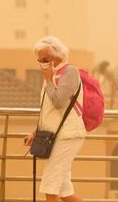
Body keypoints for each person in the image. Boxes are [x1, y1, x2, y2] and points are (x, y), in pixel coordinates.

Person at [24, 36, 85, 202]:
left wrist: (48, 79)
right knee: (65, 192)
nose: (42, 63)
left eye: (46, 59)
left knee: (50, 187)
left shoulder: (69, 72)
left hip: (68, 135)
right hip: (58, 135)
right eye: (39, 60)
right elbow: (48, 110)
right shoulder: (53, 75)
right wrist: (36, 131)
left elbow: (58, 102)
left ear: (59, 55)